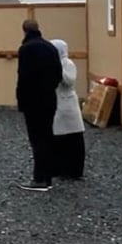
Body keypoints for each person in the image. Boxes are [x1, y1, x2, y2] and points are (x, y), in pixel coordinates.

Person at [15, 19, 63, 192]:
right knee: (47, 137)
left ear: (24, 31)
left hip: (33, 101)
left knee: (37, 140)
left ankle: (39, 178)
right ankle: (48, 175)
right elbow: (59, 74)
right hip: (49, 99)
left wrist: (21, 101)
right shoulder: (51, 48)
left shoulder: (26, 49)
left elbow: (24, 77)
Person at [50, 38, 86, 180]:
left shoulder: (68, 64)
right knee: (58, 139)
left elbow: (68, 81)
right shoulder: (52, 63)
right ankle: (59, 168)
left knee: (74, 139)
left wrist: (56, 69)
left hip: (68, 104)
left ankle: (75, 171)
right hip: (57, 104)